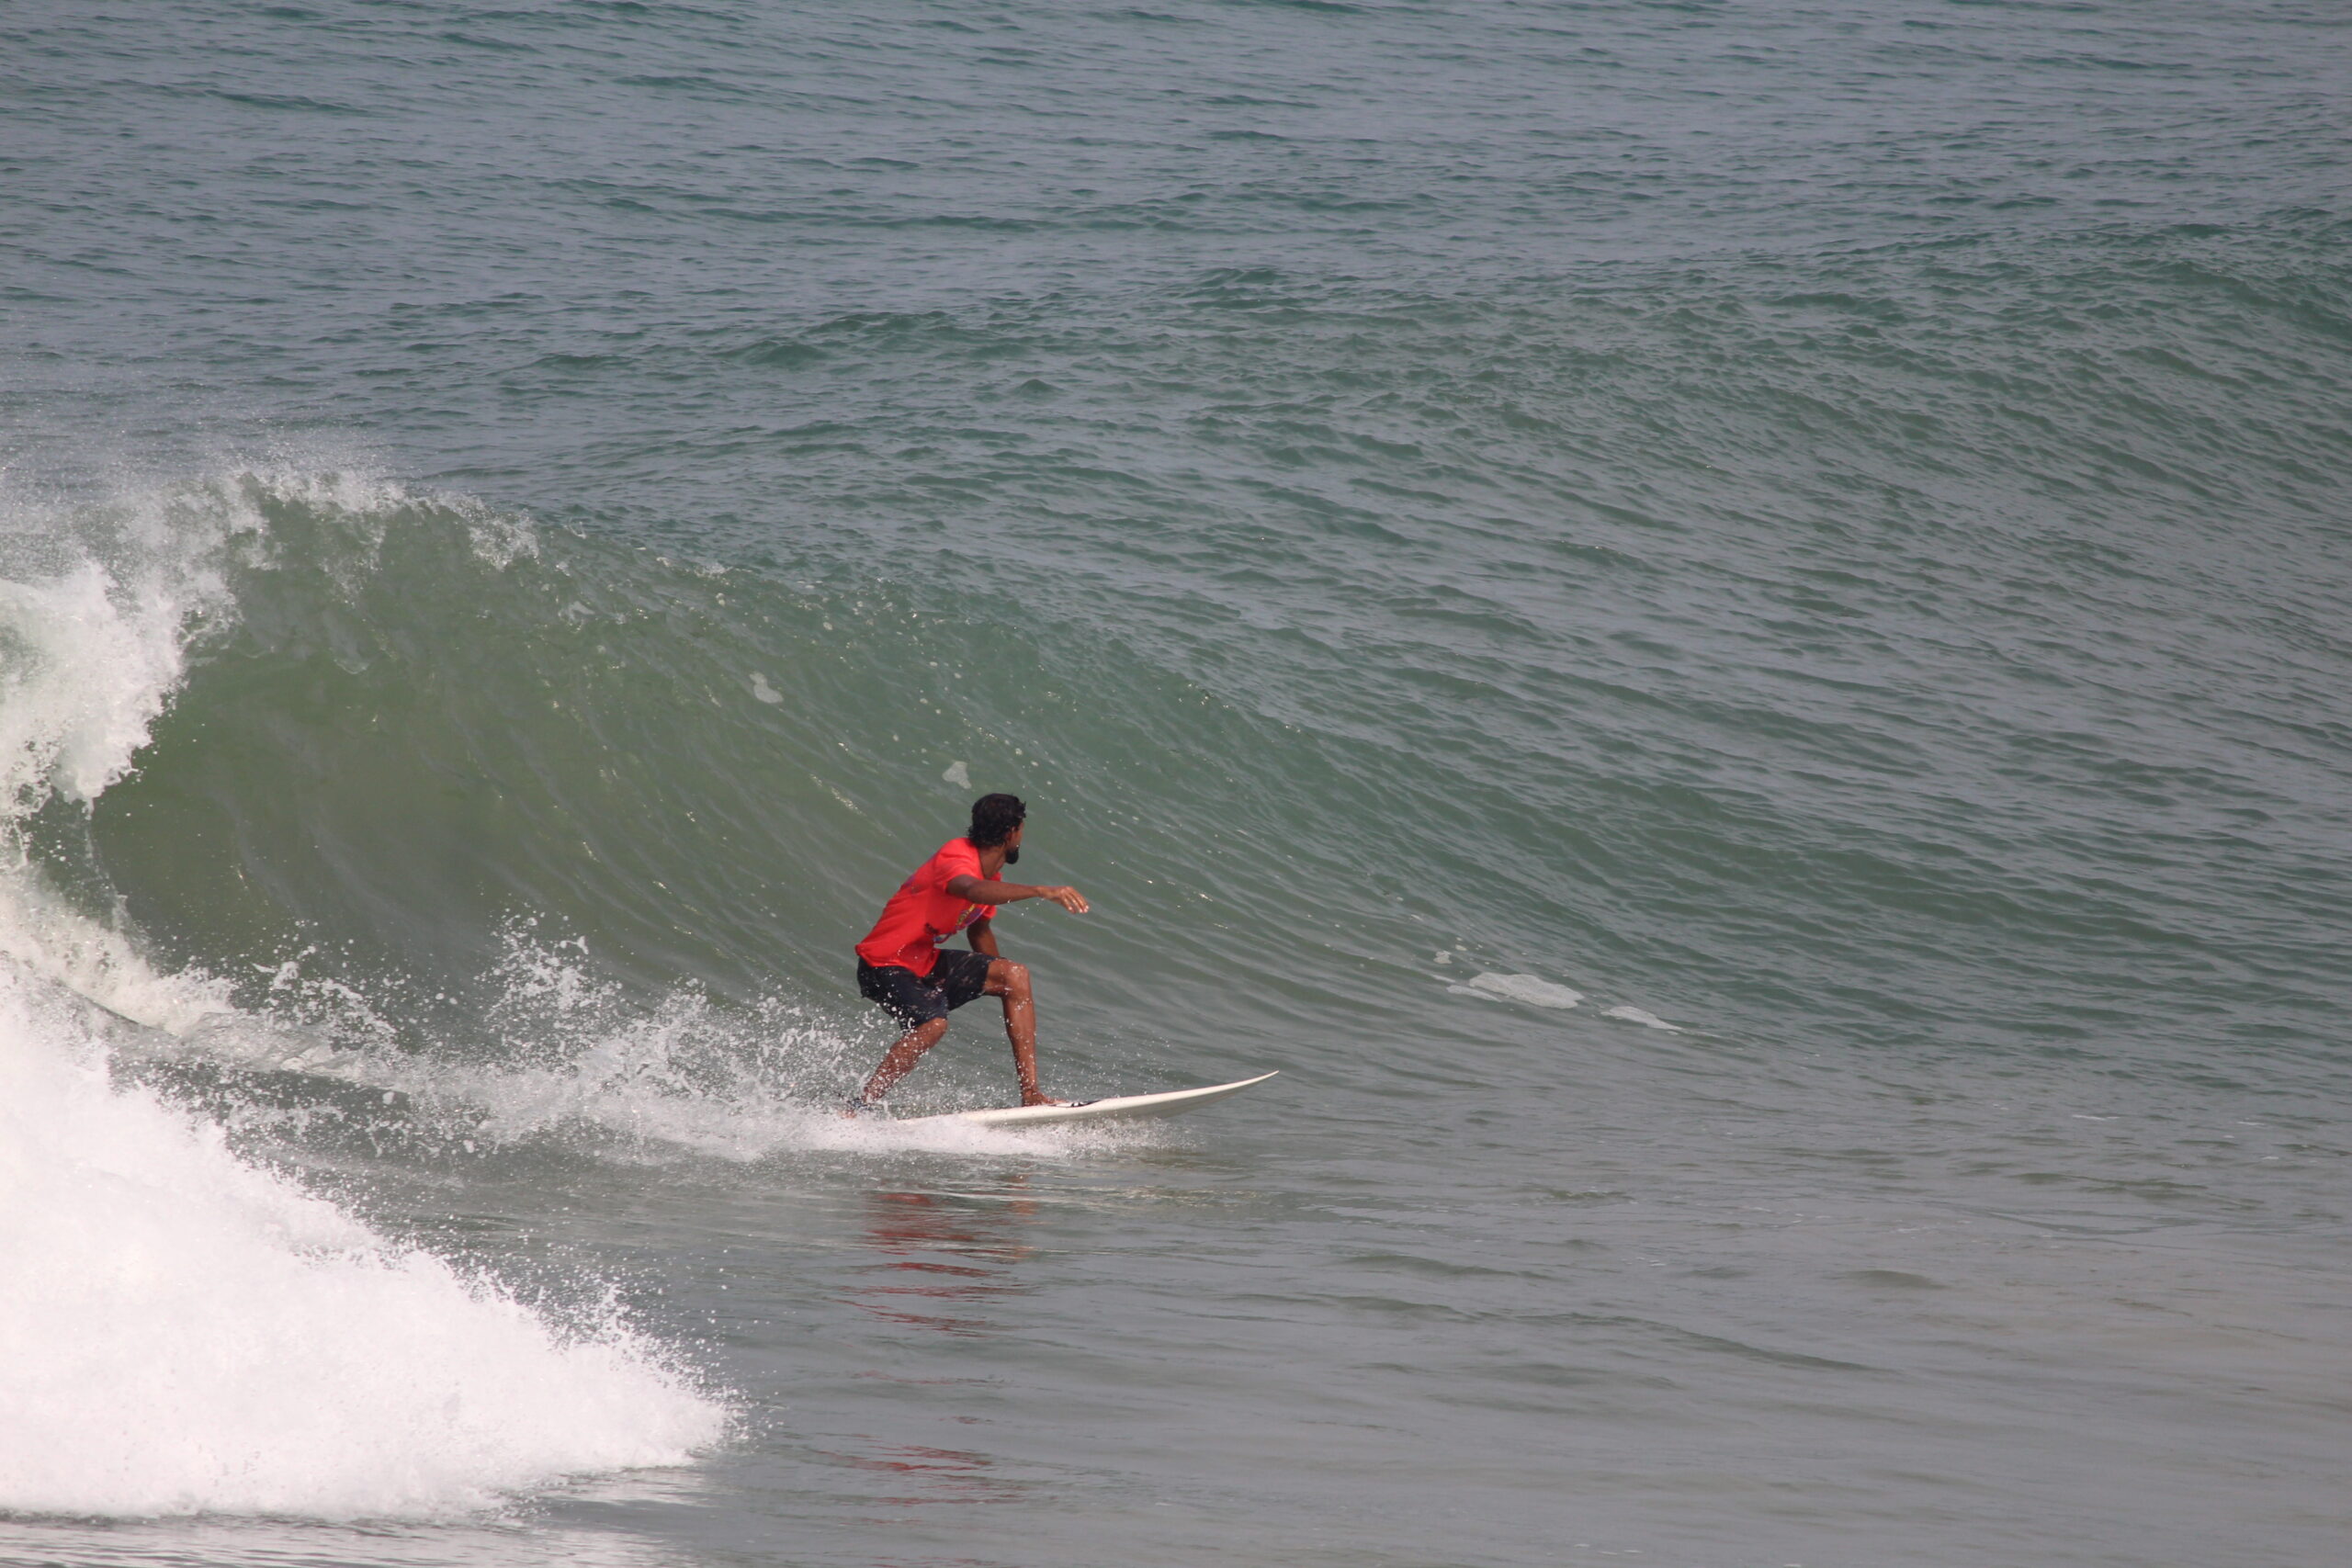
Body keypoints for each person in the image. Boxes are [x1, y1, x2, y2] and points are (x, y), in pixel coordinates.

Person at [846, 793, 1090, 1112]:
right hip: (884, 963)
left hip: (923, 962)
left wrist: (1001, 981)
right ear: (1012, 833)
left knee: (1014, 975)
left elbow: (979, 929)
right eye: (1021, 830)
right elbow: (969, 889)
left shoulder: (992, 879)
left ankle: (1031, 1094)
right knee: (933, 1024)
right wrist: (1039, 891)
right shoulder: (956, 856)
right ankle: (859, 1106)